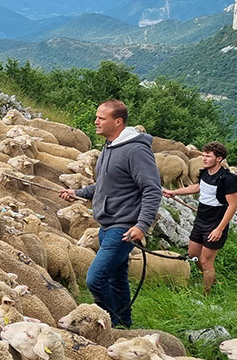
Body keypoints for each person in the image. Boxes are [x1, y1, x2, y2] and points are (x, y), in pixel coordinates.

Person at [60, 100, 161, 328]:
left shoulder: (135, 150)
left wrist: (142, 225)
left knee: (95, 279)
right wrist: (78, 192)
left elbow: (152, 189)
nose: (96, 121)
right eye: (97, 117)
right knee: (117, 279)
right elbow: (105, 184)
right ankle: (123, 324)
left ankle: (107, 321)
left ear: (118, 121)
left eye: (101, 118)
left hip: (123, 227)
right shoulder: (110, 146)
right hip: (107, 226)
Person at [163, 142, 237, 295]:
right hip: (200, 221)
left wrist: (219, 229)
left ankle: (207, 294)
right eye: (203, 155)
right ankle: (209, 275)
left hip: (215, 224)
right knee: (193, 255)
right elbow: (197, 188)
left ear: (219, 159)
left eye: (208, 156)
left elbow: (232, 206)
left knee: (205, 261)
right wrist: (174, 192)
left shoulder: (228, 179)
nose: (204, 158)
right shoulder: (204, 173)